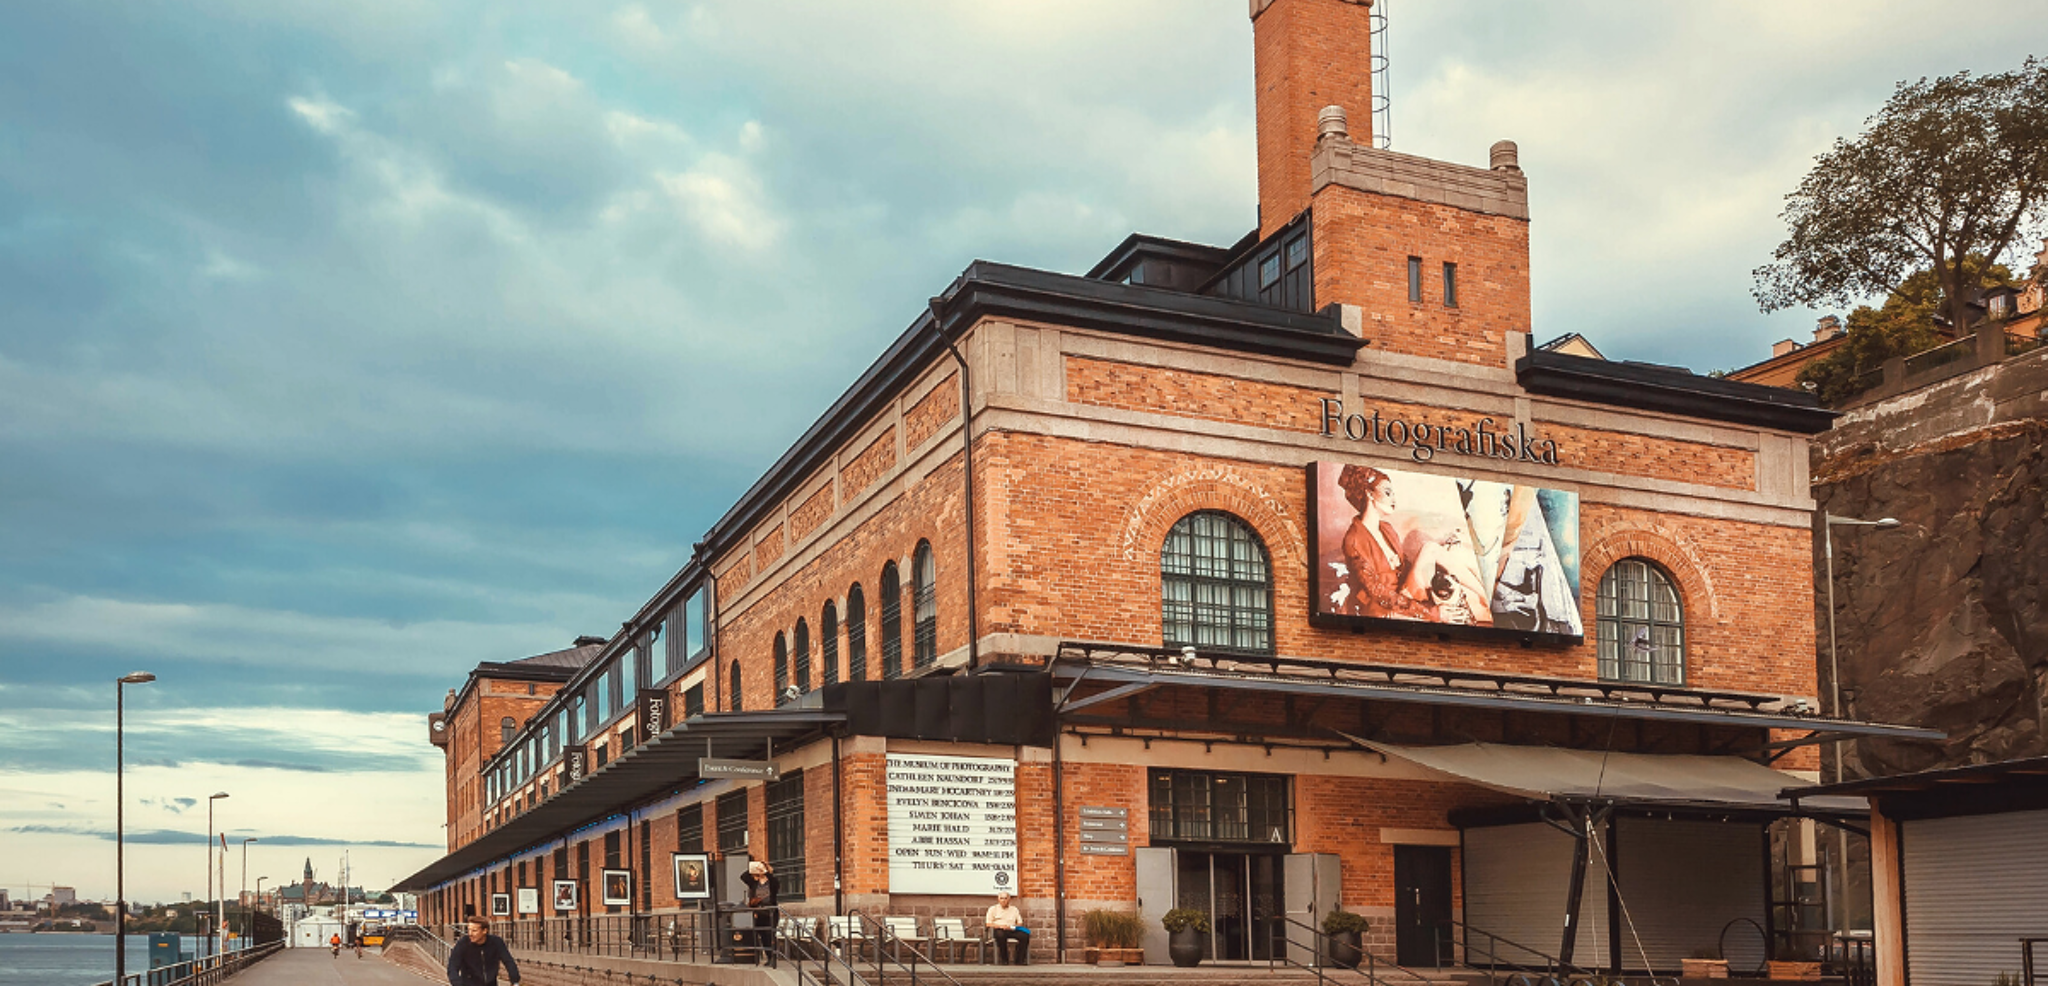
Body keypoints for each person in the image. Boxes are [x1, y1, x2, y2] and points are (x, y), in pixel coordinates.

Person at [1335, 465, 1469, 623]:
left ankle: (1477, 604)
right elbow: (1377, 593)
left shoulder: (1387, 529)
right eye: (1387, 492)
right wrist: (1430, 613)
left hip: (1403, 595)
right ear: (1369, 493)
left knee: (1435, 549)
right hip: (1383, 611)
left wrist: (1442, 548)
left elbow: (1406, 566)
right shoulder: (1354, 539)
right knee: (1430, 549)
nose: (1393, 499)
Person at [447, 918, 521, 986]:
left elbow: (508, 961)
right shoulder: (463, 944)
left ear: (484, 931)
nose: (470, 934)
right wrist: (457, 983)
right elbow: (453, 965)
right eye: (469, 930)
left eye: (474, 930)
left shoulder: (496, 942)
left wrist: (515, 981)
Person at [740, 860, 779, 967]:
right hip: (759, 912)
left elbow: (775, 884)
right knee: (762, 935)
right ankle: (769, 956)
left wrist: (765, 871)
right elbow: (743, 877)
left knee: (770, 934)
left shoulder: (771, 881)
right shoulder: (754, 882)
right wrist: (752, 868)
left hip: (771, 912)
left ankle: (773, 957)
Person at [985, 892, 1028, 966]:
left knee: (1025, 936)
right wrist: (1000, 926)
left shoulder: (1014, 909)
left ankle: (1019, 960)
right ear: (998, 899)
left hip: (1011, 929)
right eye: (1001, 898)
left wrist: (1011, 927)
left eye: (1005, 898)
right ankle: (1004, 959)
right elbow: (988, 924)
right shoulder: (993, 909)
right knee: (1000, 935)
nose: (1003, 900)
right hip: (999, 929)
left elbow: (1020, 923)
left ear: (1009, 899)